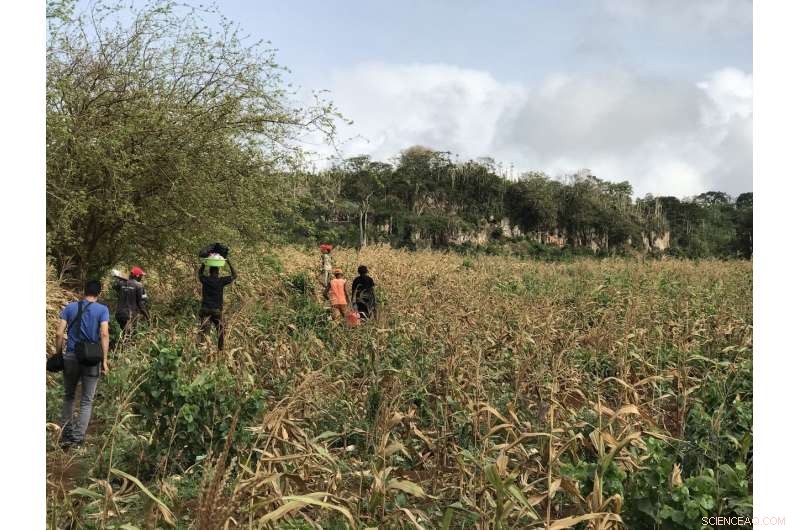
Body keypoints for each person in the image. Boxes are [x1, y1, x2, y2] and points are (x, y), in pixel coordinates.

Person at [54, 280, 110, 448]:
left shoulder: (70, 308)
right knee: (86, 400)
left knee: (69, 396)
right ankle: (77, 439)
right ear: (99, 293)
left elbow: (58, 333)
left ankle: (66, 435)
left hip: (71, 356)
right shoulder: (102, 310)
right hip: (92, 359)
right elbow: (104, 334)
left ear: (84, 291)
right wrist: (104, 360)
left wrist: (58, 354)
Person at [197, 258, 237, 351]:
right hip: (216, 311)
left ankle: (202, 351)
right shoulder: (221, 281)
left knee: (204, 332)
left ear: (210, 271)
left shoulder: (205, 279)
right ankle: (220, 350)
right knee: (221, 331)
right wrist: (229, 262)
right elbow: (234, 275)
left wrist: (204, 263)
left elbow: (199, 274)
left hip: (205, 309)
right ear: (218, 272)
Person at [112, 266, 149, 334]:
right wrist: (147, 317)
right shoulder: (139, 285)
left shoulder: (121, 284)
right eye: (141, 276)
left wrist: (122, 278)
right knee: (130, 337)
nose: (141, 277)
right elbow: (141, 304)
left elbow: (114, 286)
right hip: (130, 316)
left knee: (124, 334)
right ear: (137, 276)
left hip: (119, 315)